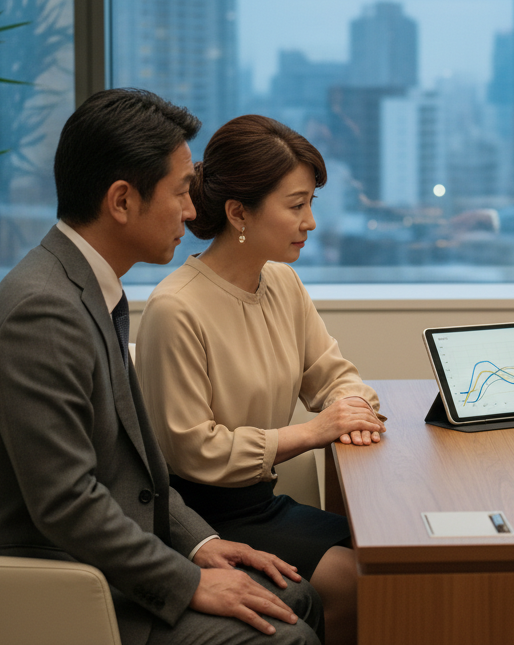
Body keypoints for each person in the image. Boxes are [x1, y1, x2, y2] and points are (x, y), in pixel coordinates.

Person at [0, 89, 324, 645]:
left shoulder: (86, 287)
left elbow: (127, 470)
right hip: (30, 582)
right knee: (287, 634)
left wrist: (202, 545)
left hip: (81, 558)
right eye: (181, 191)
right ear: (121, 201)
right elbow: (67, 504)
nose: (192, 210)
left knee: (296, 594)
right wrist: (188, 582)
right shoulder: (41, 312)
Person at [135, 115, 386, 645]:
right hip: (203, 520)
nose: (310, 222)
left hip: (261, 501)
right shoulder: (176, 308)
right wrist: (314, 431)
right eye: (296, 206)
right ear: (238, 212)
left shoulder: (282, 281)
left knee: (390, 554)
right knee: (360, 580)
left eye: (311, 203)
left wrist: (354, 409)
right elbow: (192, 451)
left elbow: (333, 375)